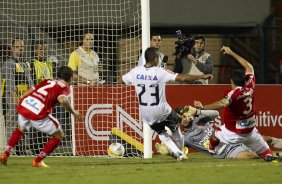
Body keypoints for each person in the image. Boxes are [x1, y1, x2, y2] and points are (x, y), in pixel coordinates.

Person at [119, 47, 213, 160]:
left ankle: (176, 152)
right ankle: (180, 152)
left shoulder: (136, 71)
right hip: (162, 110)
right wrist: (202, 76)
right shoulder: (160, 71)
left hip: (146, 114)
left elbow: (120, 81)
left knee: (161, 132)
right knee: (176, 129)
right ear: (154, 59)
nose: (159, 59)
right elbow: (182, 78)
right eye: (158, 57)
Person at [194, 46, 275, 161]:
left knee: (215, 136)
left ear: (231, 81)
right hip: (250, 129)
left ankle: (211, 149)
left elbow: (222, 104)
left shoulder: (234, 93)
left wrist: (203, 107)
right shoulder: (250, 84)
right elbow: (249, 66)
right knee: (265, 151)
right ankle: (268, 156)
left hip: (233, 132)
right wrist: (231, 52)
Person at [0, 66, 82, 167]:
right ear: (71, 78)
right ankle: (37, 161)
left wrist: (22, 99)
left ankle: (5, 154)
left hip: (25, 104)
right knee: (59, 135)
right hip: (37, 110)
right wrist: (74, 112)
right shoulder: (65, 87)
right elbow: (63, 100)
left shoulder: (49, 80)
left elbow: (32, 89)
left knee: (21, 129)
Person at [156, 105, 282, 161]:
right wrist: (169, 151)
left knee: (267, 139)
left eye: (186, 115)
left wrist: (198, 112)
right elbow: (180, 150)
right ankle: (275, 157)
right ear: (179, 121)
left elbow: (215, 114)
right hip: (224, 151)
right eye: (182, 117)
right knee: (252, 155)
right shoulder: (185, 137)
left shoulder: (199, 119)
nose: (186, 118)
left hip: (228, 137)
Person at [2, 38, 34, 155]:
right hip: (13, 100)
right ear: (12, 48)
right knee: (12, 124)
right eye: (17, 47)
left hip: (25, 100)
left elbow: (30, 82)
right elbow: (10, 84)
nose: (20, 49)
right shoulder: (8, 64)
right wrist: (16, 100)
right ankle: (12, 150)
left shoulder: (24, 64)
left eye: (22, 47)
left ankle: (25, 149)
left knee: (25, 124)